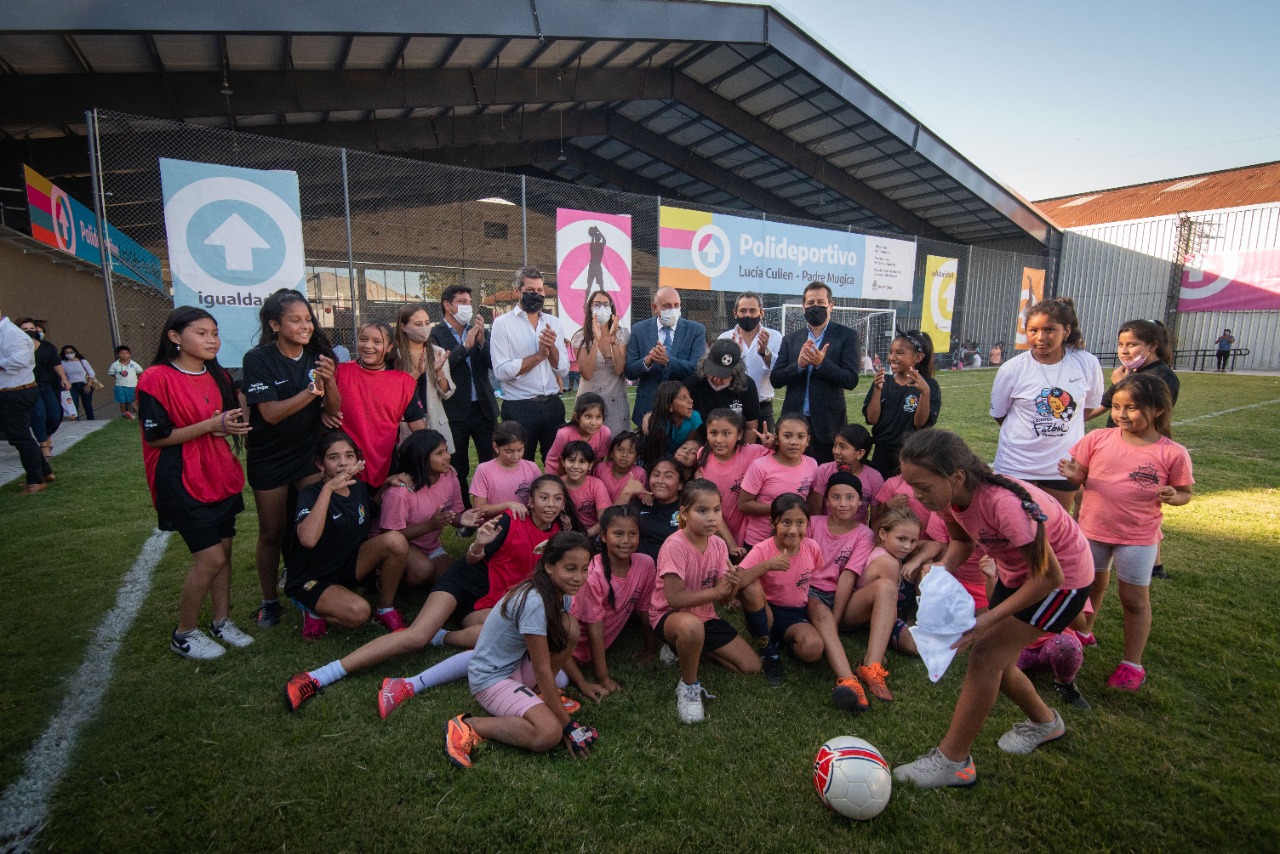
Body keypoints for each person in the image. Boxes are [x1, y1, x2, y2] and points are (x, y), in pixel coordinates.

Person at [893, 429, 1093, 789]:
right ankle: (1045, 723)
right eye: (911, 485)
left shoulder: (1004, 504)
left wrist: (987, 619)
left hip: (1063, 582)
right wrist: (942, 570)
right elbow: (961, 541)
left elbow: (1049, 576)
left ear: (956, 476)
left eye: (922, 486)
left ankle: (953, 762)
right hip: (1021, 574)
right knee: (997, 660)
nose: (915, 495)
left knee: (986, 654)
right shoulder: (952, 498)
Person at [283, 475, 579, 713]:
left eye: (557, 499)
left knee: (500, 636)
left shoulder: (561, 538)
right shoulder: (510, 519)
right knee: (415, 637)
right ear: (530, 500)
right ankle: (317, 676)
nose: (550, 504)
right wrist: (478, 544)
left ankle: (443, 637)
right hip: (465, 581)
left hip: (495, 601)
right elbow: (474, 558)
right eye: (544, 497)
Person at [1059, 373, 1193, 691]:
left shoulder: (1172, 452)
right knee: (1086, 586)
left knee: (1133, 600)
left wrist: (1176, 496)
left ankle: (1132, 663)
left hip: (1138, 538)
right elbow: (1081, 477)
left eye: (1131, 407)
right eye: (1117, 407)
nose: (1121, 414)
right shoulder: (1097, 439)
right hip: (1092, 529)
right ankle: (1083, 630)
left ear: (1158, 409)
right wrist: (1074, 474)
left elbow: (1185, 492)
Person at [136, 306, 254, 659]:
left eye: (214, 333)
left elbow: (230, 418)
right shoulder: (155, 378)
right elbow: (157, 437)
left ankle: (221, 621)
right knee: (210, 558)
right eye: (201, 333)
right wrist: (212, 424)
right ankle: (184, 633)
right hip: (181, 480)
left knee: (225, 553)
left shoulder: (216, 374)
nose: (211, 339)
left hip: (219, 475)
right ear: (175, 337)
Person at [441, 532, 597, 769]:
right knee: (548, 734)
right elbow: (543, 669)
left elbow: (558, 645)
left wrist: (583, 685)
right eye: (571, 568)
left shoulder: (560, 591)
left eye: (585, 569)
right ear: (549, 567)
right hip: (492, 679)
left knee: (570, 627)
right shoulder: (534, 601)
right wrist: (567, 725)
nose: (579, 577)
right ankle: (468, 725)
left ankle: (539, 697)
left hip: (516, 667)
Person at [242, 289, 340, 629]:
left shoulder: (318, 355)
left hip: (307, 455)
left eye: (307, 319)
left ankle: (310, 588)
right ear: (274, 324)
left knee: (313, 524)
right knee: (272, 531)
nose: (305, 325)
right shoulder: (258, 359)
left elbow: (333, 409)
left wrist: (328, 383)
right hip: (269, 457)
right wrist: (310, 392)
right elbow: (269, 414)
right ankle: (269, 601)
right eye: (295, 320)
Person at [650, 479, 759, 723]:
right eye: (702, 510)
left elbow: (724, 600)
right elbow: (674, 598)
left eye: (716, 510)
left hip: (706, 617)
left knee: (750, 667)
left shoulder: (719, 544)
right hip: (669, 617)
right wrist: (718, 592)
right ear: (684, 513)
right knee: (691, 628)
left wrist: (732, 585)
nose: (711, 517)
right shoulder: (675, 545)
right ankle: (688, 686)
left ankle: (690, 649)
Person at [286, 431, 411, 639]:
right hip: (312, 577)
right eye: (334, 457)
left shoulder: (358, 487)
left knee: (396, 541)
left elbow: (369, 509)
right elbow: (308, 540)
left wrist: (387, 484)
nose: (343, 463)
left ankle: (385, 610)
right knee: (358, 612)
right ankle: (313, 608)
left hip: (346, 566)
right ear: (320, 464)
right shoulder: (311, 494)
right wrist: (327, 490)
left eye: (349, 456)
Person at [989, 297, 1104, 511]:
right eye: (1033, 330)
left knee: (1055, 529)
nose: (1040, 338)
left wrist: (1058, 426)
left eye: (1050, 330)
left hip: (1061, 467)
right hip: (1017, 465)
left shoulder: (1086, 363)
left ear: (1066, 331)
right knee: (1016, 529)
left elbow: (1084, 410)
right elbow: (999, 413)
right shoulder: (1012, 369)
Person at [563, 505, 658, 700]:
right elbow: (594, 628)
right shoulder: (592, 575)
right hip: (570, 647)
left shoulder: (646, 563)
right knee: (559, 680)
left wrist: (650, 649)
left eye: (633, 534)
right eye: (618, 534)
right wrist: (603, 677)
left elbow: (645, 610)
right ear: (604, 537)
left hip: (596, 643)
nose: (626, 541)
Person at [736, 494, 828, 690]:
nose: (793, 530)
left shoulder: (811, 547)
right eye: (786, 522)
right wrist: (766, 566)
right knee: (750, 586)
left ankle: (784, 643)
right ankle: (769, 653)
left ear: (807, 524)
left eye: (800, 523)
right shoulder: (762, 549)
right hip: (765, 610)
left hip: (794, 613)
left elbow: (816, 577)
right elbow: (738, 582)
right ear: (772, 522)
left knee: (813, 650)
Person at [834, 506, 921, 703]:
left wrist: (920, 558)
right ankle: (872, 664)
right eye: (902, 539)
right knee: (887, 588)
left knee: (916, 647)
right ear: (882, 533)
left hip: (868, 611)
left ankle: (874, 659)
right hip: (852, 611)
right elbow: (888, 604)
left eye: (913, 541)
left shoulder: (893, 555)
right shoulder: (887, 562)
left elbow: (933, 546)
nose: (907, 546)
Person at [769, 282, 860, 463]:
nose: (815, 307)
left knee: (823, 476)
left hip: (828, 424)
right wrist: (799, 365)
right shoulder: (791, 339)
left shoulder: (847, 336)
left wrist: (821, 364)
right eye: (810, 303)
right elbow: (776, 379)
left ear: (830, 306)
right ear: (803, 306)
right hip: (794, 423)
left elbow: (851, 380)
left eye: (820, 302)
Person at [807, 472, 876, 712]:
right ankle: (850, 681)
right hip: (809, 592)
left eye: (849, 497)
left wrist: (836, 618)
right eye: (836, 497)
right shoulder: (812, 523)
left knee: (883, 589)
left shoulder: (865, 534)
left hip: (839, 596)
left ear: (860, 502)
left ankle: (874, 663)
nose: (843, 503)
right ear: (826, 500)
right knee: (819, 610)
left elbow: (848, 576)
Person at [380, 429, 483, 587]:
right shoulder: (401, 491)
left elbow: (453, 515)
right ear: (421, 458)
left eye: (446, 450)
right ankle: (381, 576)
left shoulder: (450, 477)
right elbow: (389, 538)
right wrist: (429, 526)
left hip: (431, 546)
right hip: (401, 545)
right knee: (422, 572)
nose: (447, 456)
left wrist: (464, 519)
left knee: (452, 576)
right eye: (439, 453)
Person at [490, 267, 570, 463]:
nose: (537, 295)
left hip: (552, 405)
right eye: (531, 291)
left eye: (540, 290)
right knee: (520, 464)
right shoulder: (503, 324)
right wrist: (538, 356)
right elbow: (501, 371)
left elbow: (563, 368)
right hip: (520, 407)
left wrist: (551, 349)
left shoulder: (553, 323)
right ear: (517, 292)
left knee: (557, 462)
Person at [332, 321, 425, 487]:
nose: (368, 346)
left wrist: (432, 456)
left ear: (389, 347)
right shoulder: (339, 372)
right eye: (363, 339)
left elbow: (418, 427)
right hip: (344, 467)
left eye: (377, 341)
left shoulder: (403, 382)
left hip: (386, 465)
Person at [431, 285, 497, 503]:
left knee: (491, 460)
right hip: (455, 411)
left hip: (483, 408)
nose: (467, 306)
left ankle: (491, 507)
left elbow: (492, 364)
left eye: (469, 302)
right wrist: (465, 347)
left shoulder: (479, 331)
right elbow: (439, 368)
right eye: (462, 302)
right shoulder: (435, 335)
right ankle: (464, 511)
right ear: (447, 305)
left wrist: (481, 343)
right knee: (458, 463)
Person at [625, 286, 707, 430]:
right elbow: (630, 371)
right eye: (667, 306)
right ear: (655, 308)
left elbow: (697, 368)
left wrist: (668, 361)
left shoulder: (696, 330)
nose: (672, 309)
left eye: (676, 305)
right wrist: (647, 361)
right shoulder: (639, 329)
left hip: (681, 411)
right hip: (647, 409)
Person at [864, 329, 941, 478]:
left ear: (918, 357)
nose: (892, 357)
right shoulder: (883, 381)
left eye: (899, 353)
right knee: (882, 496)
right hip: (882, 453)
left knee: (906, 495)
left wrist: (925, 393)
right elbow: (871, 419)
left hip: (910, 454)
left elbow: (920, 423)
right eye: (891, 352)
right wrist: (877, 390)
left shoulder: (929, 386)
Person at [697, 408, 772, 559]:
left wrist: (773, 443)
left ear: (739, 435)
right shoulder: (702, 455)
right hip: (715, 529)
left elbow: (779, 455)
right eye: (713, 433)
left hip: (744, 532)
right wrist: (730, 544)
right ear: (706, 433)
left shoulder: (751, 452)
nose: (719, 440)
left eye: (726, 433)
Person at [739, 413, 817, 548]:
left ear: (808, 440)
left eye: (801, 436)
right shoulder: (760, 466)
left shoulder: (812, 465)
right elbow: (744, 504)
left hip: (793, 540)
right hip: (759, 541)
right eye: (787, 436)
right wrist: (782, 508)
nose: (794, 442)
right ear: (777, 439)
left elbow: (810, 501)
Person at [0, 306, 54, 493]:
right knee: (18, 435)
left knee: (20, 436)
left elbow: (20, 361)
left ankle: (36, 479)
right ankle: (45, 472)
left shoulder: (12, 334)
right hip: (12, 391)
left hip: (16, 391)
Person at [392, 303, 455, 454]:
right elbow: (395, 393)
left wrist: (438, 372)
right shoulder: (394, 355)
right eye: (418, 324)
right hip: (406, 426)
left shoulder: (437, 353)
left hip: (435, 423)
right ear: (403, 326)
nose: (424, 328)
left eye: (427, 323)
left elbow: (447, 393)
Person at [718, 292, 780, 431]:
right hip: (731, 405)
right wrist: (735, 355)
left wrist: (765, 352)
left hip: (762, 407)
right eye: (743, 311)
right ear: (735, 313)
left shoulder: (774, 337)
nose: (748, 315)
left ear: (761, 313)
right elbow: (718, 373)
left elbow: (778, 372)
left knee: (764, 450)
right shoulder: (724, 337)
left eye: (753, 311)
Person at [573, 289, 630, 438]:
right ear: (589, 308)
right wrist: (596, 340)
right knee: (588, 449)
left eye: (606, 304)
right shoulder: (580, 336)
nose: (602, 308)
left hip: (616, 401)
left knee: (616, 447)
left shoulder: (622, 334)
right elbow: (586, 372)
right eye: (597, 304)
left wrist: (612, 339)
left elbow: (619, 369)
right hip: (589, 403)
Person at [809, 423, 882, 525]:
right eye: (835, 445)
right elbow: (815, 510)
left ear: (860, 453)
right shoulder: (824, 471)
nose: (836, 451)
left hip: (857, 535)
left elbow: (876, 520)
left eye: (843, 447)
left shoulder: (874, 478)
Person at [689, 339, 762, 439]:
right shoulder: (695, 382)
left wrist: (746, 452)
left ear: (736, 371)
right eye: (712, 372)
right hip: (702, 442)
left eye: (723, 375)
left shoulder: (747, 385)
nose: (716, 379)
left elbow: (751, 427)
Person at [469, 421, 542, 518]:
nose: (515, 456)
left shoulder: (532, 468)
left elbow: (544, 495)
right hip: (495, 527)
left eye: (520, 450)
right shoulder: (484, 470)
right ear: (496, 447)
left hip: (525, 525)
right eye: (509, 451)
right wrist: (507, 505)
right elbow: (478, 509)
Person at [18, 319, 68, 457]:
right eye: (25, 329)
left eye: (32, 328)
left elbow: (56, 364)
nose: (29, 331)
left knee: (54, 415)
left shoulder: (47, 346)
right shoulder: (16, 347)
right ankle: (43, 446)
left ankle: (46, 435)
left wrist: (64, 379)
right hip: (29, 386)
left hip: (48, 384)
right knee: (38, 415)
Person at [544, 391, 613, 476]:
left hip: (584, 473)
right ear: (576, 417)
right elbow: (559, 461)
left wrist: (586, 481)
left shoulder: (605, 433)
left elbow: (597, 462)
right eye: (588, 416)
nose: (593, 423)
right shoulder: (564, 434)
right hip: (558, 472)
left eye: (598, 417)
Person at [630, 458, 685, 561]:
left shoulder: (686, 510)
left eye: (668, 476)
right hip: (637, 568)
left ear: (680, 485)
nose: (660, 481)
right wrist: (627, 492)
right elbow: (610, 524)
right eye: (656, 475)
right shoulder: (641, 503)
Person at [640, 380, 702, 468]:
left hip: (679, 460)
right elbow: (657, 456)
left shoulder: (694, 418)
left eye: (689, 396)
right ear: (669, 407)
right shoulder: (660, 424)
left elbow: (684, 448)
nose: (691, 401)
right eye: (684, 398)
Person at [558, 441, 613, 537]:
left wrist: (584, 535)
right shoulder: (557, 485)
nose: (575, 466)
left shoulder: (596, 485)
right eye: (571, 460)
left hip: (592, 534)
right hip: (564, 535)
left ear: (590, 465)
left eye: (582, 462)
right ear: (563, 461)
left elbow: (604, 520)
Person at [593, 430, 645, 504]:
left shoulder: (639, 473)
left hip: (626, 513)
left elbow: (643, 496)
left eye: (630, 452)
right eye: (620, 450)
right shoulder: (601, 469)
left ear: (636, 458)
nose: (624, 455)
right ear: (611, 453)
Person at [60, 345, 97, 420]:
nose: (69, 354)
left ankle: (91, 421)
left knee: (87, 405)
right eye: (67, 353)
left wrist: (88, 384)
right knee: (73, 405)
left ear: (75, 352)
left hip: (84, 384)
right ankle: (75, 421)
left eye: (71, 352)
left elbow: (91, 373)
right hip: (72, 386)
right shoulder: (63, 363)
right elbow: (61, 374)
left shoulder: (82, 361)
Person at [107, 345, 138, 419]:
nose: (124, 355)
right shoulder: (115, 365)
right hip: (120, 385)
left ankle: (136, 414)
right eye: (122, 353)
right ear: (118, 354)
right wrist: (118, 377)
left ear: (129, 354)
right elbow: (112, 373)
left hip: (132, 385)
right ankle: (124, 414)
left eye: (126, 353)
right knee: (122, 401)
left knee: (134, 400)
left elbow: (139, 371)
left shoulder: (133, 364)